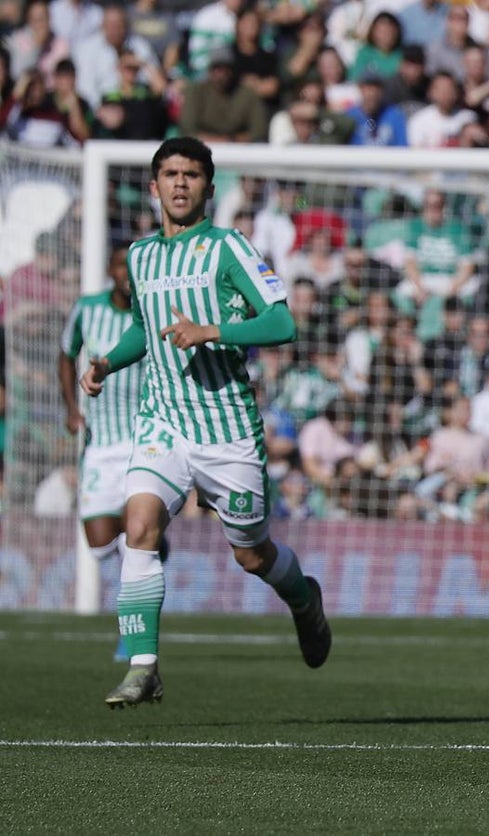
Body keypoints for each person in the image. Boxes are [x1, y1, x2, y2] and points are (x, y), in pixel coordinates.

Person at [80, 137, 331, 708]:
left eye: (191, 175)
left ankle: (303, 600)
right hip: (162, 422)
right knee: (138, 525)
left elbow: (281, 322)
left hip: (226, 430)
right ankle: (143, 667)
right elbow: (147, 330)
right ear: (153, 186)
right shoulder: (140, 256)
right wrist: (107, 361)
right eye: (169, 173)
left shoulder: (228, 249)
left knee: (251, 554)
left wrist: (214, 330)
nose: (179, 184)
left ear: (208, 189)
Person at [58, 243, 166, 661]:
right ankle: (156, 549)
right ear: (109, 269)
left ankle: (132, 627)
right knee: (101, 543)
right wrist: (71, 408)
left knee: (134, 533)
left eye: (131, 266)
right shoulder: (88, 309)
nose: (126, 273)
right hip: (100, 443)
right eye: (119, 265)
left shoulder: (152, 311)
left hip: (145, 438)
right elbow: (66, 356)